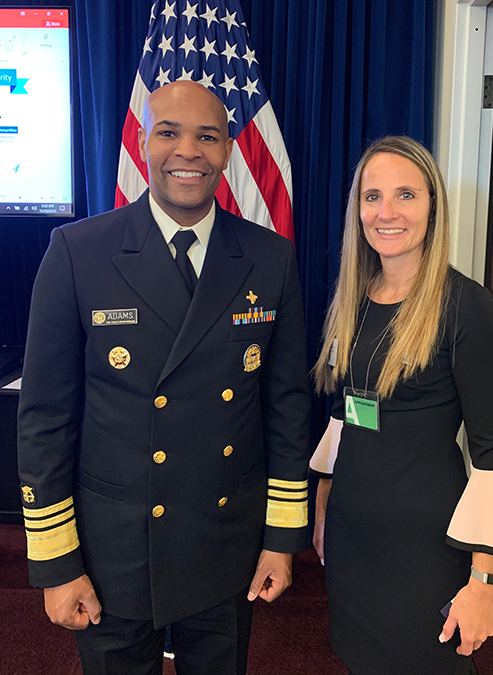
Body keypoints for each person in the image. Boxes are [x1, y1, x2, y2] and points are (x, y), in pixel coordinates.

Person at [18, 80, 310, 675]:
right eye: (169, 133)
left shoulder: (269, 258)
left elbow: (287, 407)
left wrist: (281, 538)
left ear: (229, 149)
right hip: (114, 548)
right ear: (142, 141)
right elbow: (45, 419)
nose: (188, 151)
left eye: (207, 136)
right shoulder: (78, 252)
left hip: (224, 541)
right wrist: (57, 561)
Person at [310, 136, 493, 675]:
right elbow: (346, 416)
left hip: (425, 546)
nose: (386, 213)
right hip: (352, 534)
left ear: (432, 207)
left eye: (405, 195)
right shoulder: (353, 298)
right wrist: (323, 506)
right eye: (372, 197)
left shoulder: (468, 308)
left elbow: (491, 459)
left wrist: (486, 582)